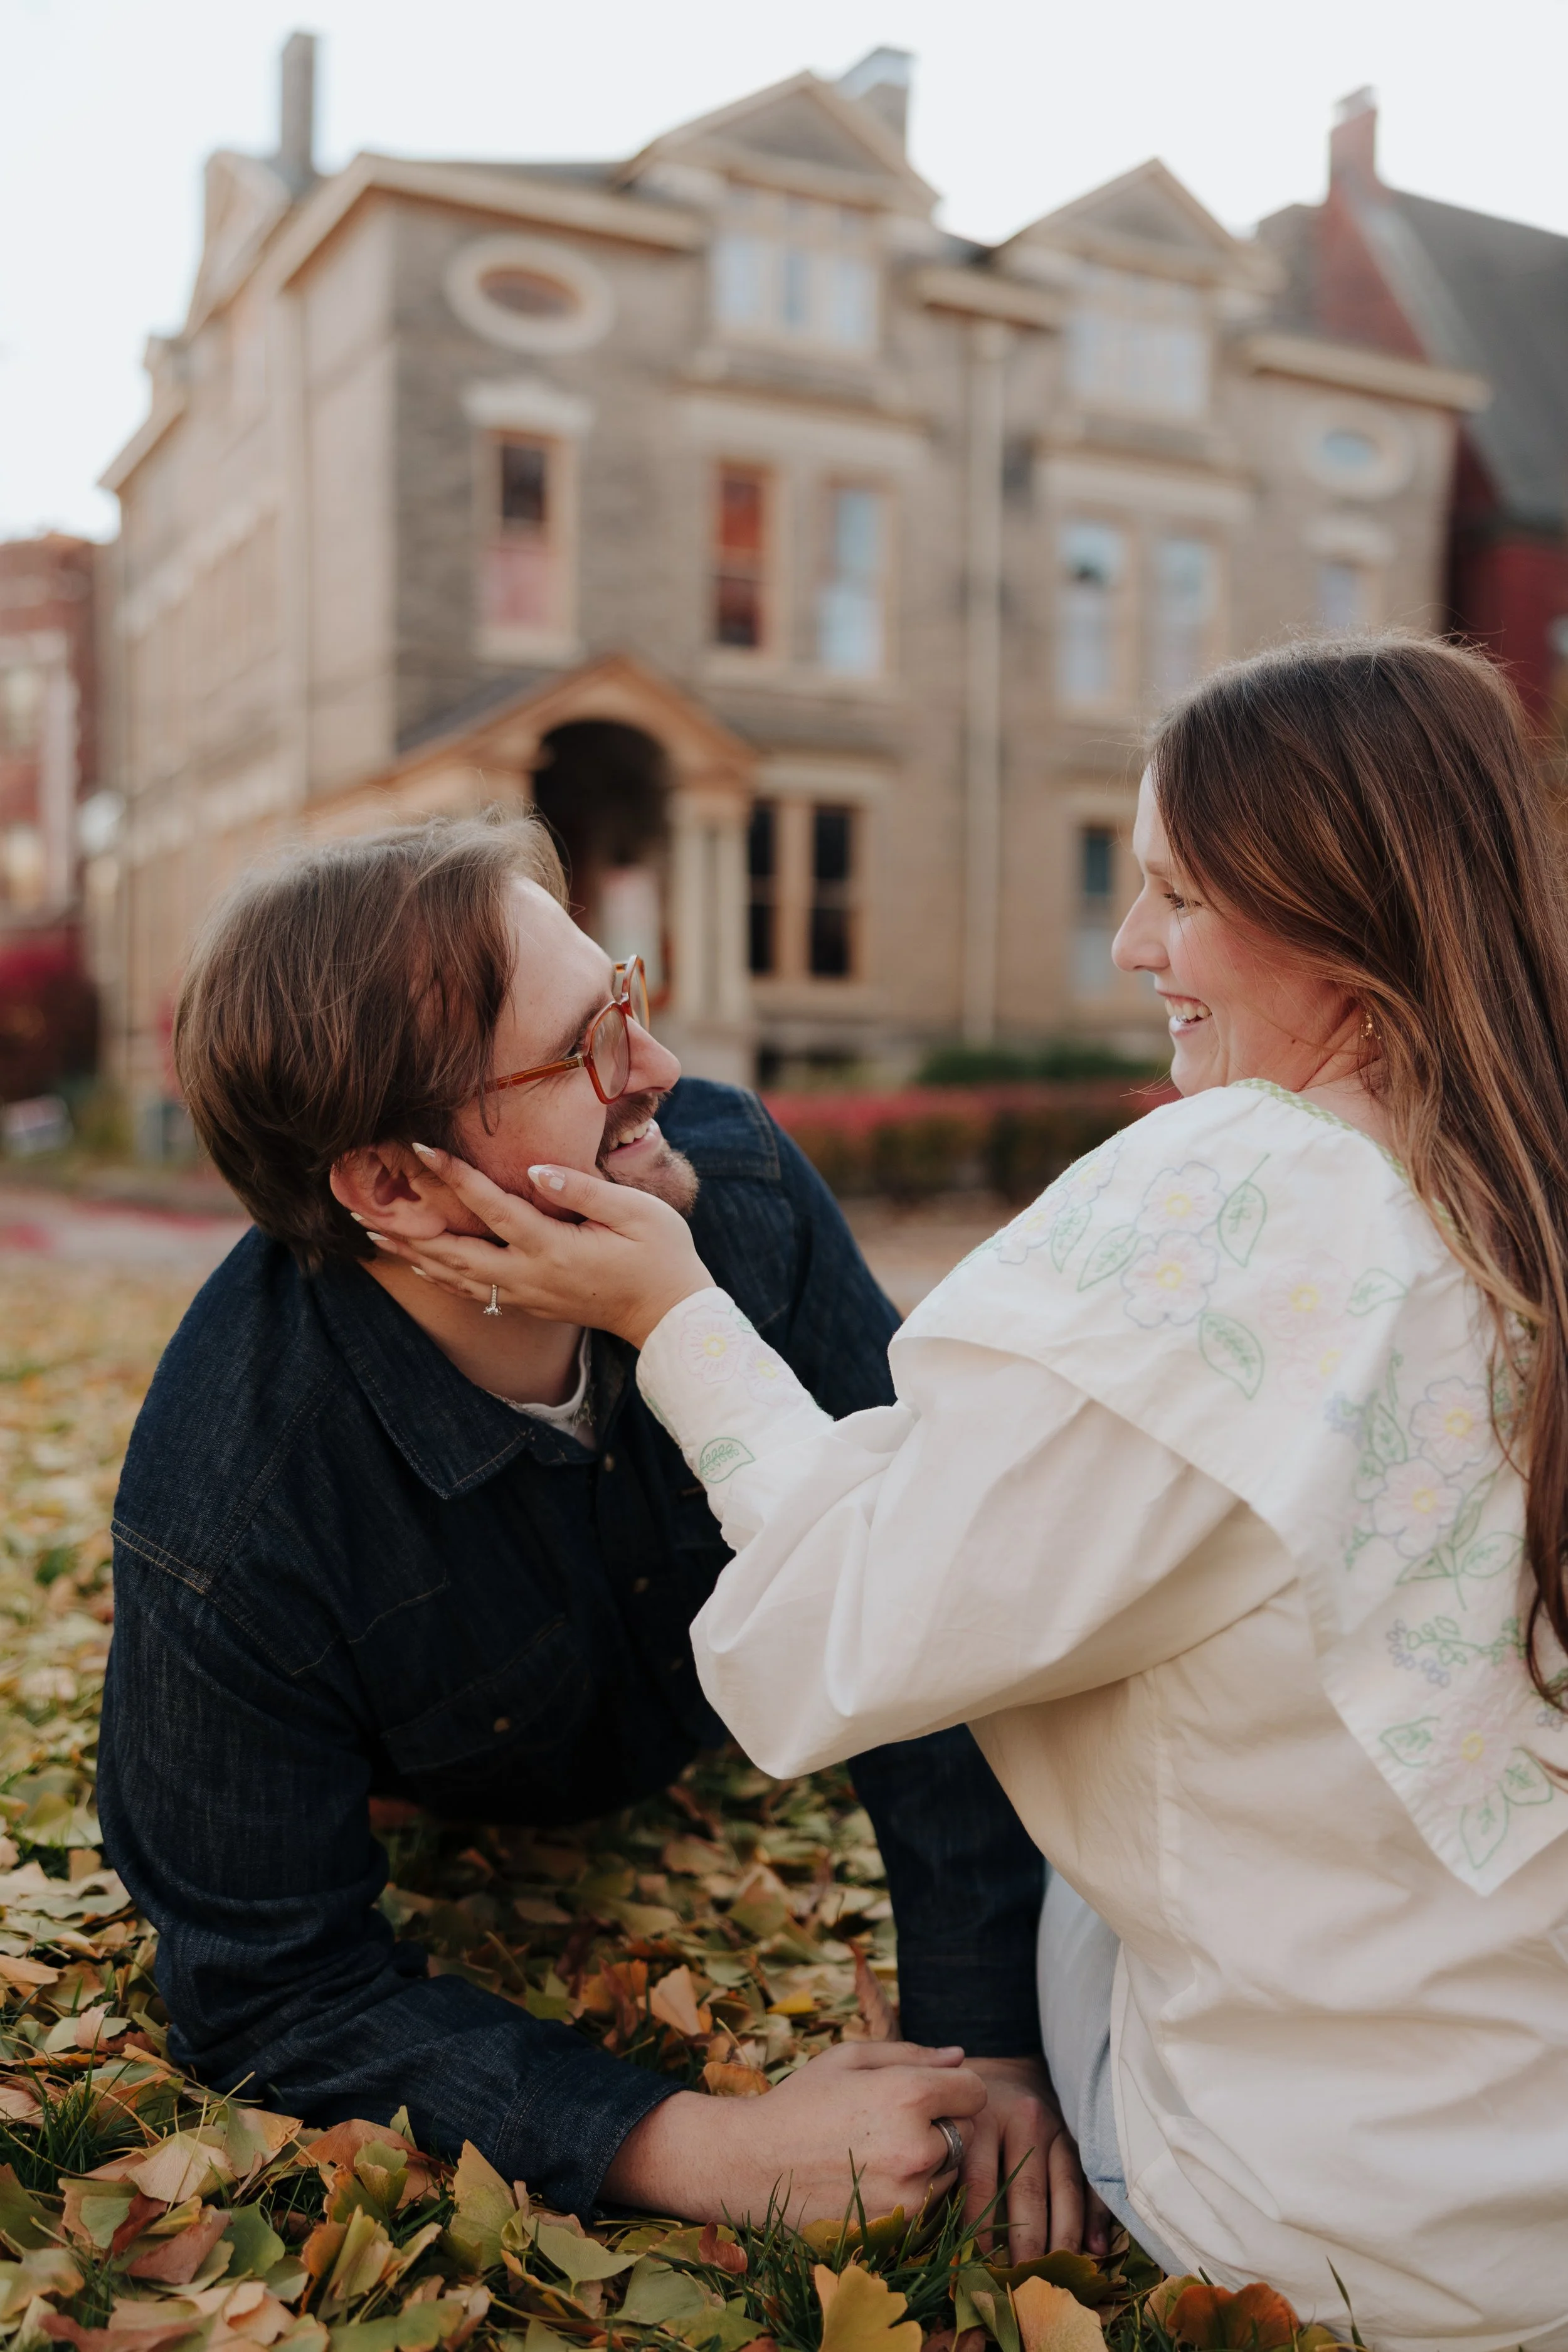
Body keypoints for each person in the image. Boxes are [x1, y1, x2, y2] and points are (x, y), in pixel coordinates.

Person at [374, 637, 1568, 2352]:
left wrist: (671, 1315)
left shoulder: (1243, 1196)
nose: (1130, 943)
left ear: (1334, 908)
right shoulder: (1510, 1166)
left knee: (1072, 1856)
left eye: (1175, 892)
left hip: (1355, 2227)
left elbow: (840, 1640)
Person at [98, 815, 1100, 2253]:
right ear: (391, 1187)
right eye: (581, 1048)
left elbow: (920, 1589)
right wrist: (694, 2145)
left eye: (624, 999)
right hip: (456, 1783)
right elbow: (266, 1990)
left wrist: (986, 2043)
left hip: (683, 1722)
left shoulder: (730, 1192)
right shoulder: (230, 1505)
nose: (657, 1070)